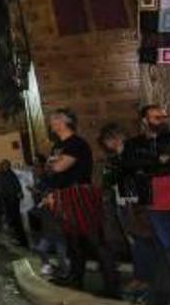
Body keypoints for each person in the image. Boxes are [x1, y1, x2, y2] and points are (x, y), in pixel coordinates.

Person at [46, 109, 120, 297]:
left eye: (54, 119)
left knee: (94, 239)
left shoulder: (77, 143)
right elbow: (50, 170)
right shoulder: (57, 146)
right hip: (63, 195)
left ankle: (112, 286)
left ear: (65, 121)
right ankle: (75, 278)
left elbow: (58, 167)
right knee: (72, 241)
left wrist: (53, 165)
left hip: (79, 193)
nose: (50, 122)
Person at [123, 105, 170, 303]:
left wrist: (150, 167)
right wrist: (159, 162)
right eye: (156, 117)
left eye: (163, 116)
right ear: (145, 120)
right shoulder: (133, 144)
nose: (162, 119)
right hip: (155, 206)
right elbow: (130, 166)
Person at [98, 123, 158, 303]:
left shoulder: (131, 153)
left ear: (114, 138)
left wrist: (132, 203)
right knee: (135, 242)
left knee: (141, 242)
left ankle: (148, 280)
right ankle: (141, 278)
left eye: (106, 141)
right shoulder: (118, 156)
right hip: (125, 201)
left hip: (133, 203)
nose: (106, 145)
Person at [0, 160, 28, 247]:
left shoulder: (11, 174)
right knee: (12, 220)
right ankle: (17, 238)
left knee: (16, 221)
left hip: (12, 201)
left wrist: (19, 193)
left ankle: (22, 240)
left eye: (7, 165)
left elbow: (17, 186)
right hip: (5, 202)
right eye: (4, 165)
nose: (6, 167)